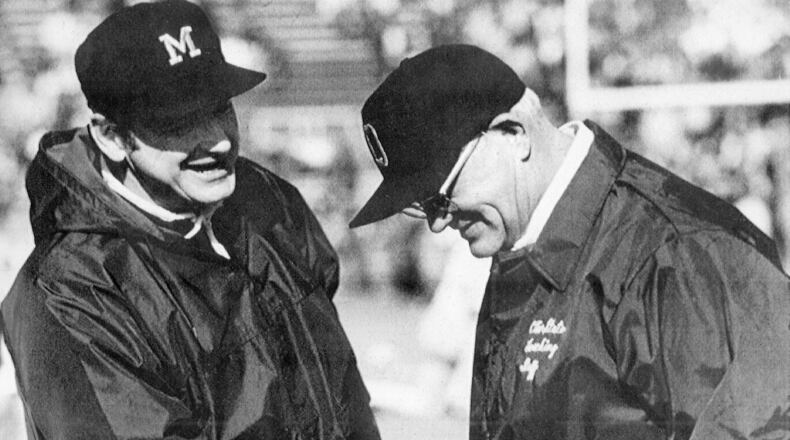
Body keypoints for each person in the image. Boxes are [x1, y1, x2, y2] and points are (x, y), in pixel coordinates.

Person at [349, 44, 790, 440]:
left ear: (512, 134)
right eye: (420, 206)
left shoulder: (676, 253)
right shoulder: (522, 249)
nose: (437, 223)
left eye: (439, 194)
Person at [0, 1, 380, 439]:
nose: (217, 141)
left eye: (220, 107)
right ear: (111, 136)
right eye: (179, 121)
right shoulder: (70, 290)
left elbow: (343, 392)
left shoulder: (269, 204)